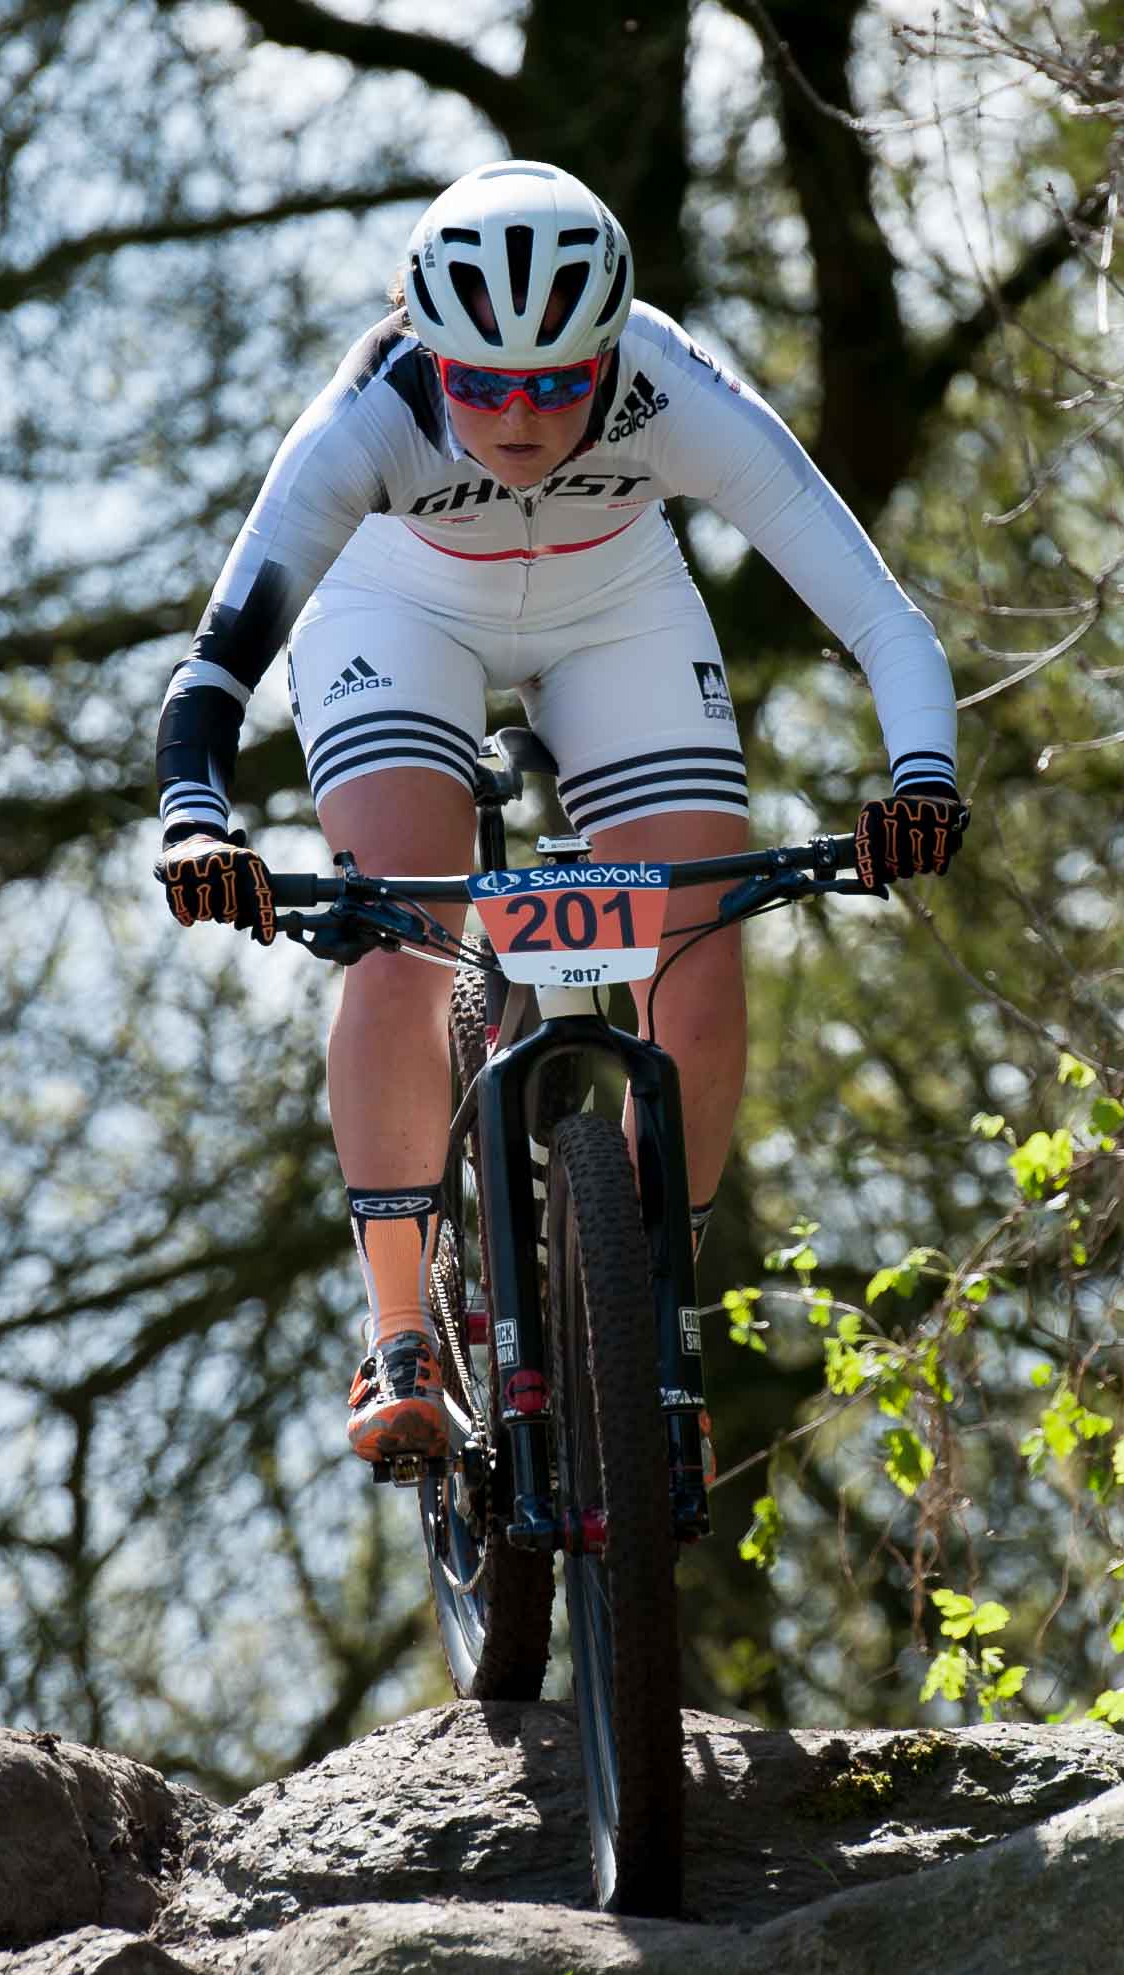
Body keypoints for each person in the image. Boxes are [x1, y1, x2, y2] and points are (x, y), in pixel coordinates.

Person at [152, 159, 967, 1468]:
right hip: (396, 608)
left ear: (609, 355)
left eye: (555, 382)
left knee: (694, 947)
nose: (518, 412)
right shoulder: (365, 419)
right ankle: (401, 1331)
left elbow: (882, 618)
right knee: (402, 921)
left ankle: (653, 1326)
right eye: (480, 382)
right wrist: (198, 823)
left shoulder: (674, 388)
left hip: (612, 608)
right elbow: (209, 680)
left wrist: (921, 781)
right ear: (427, 351)